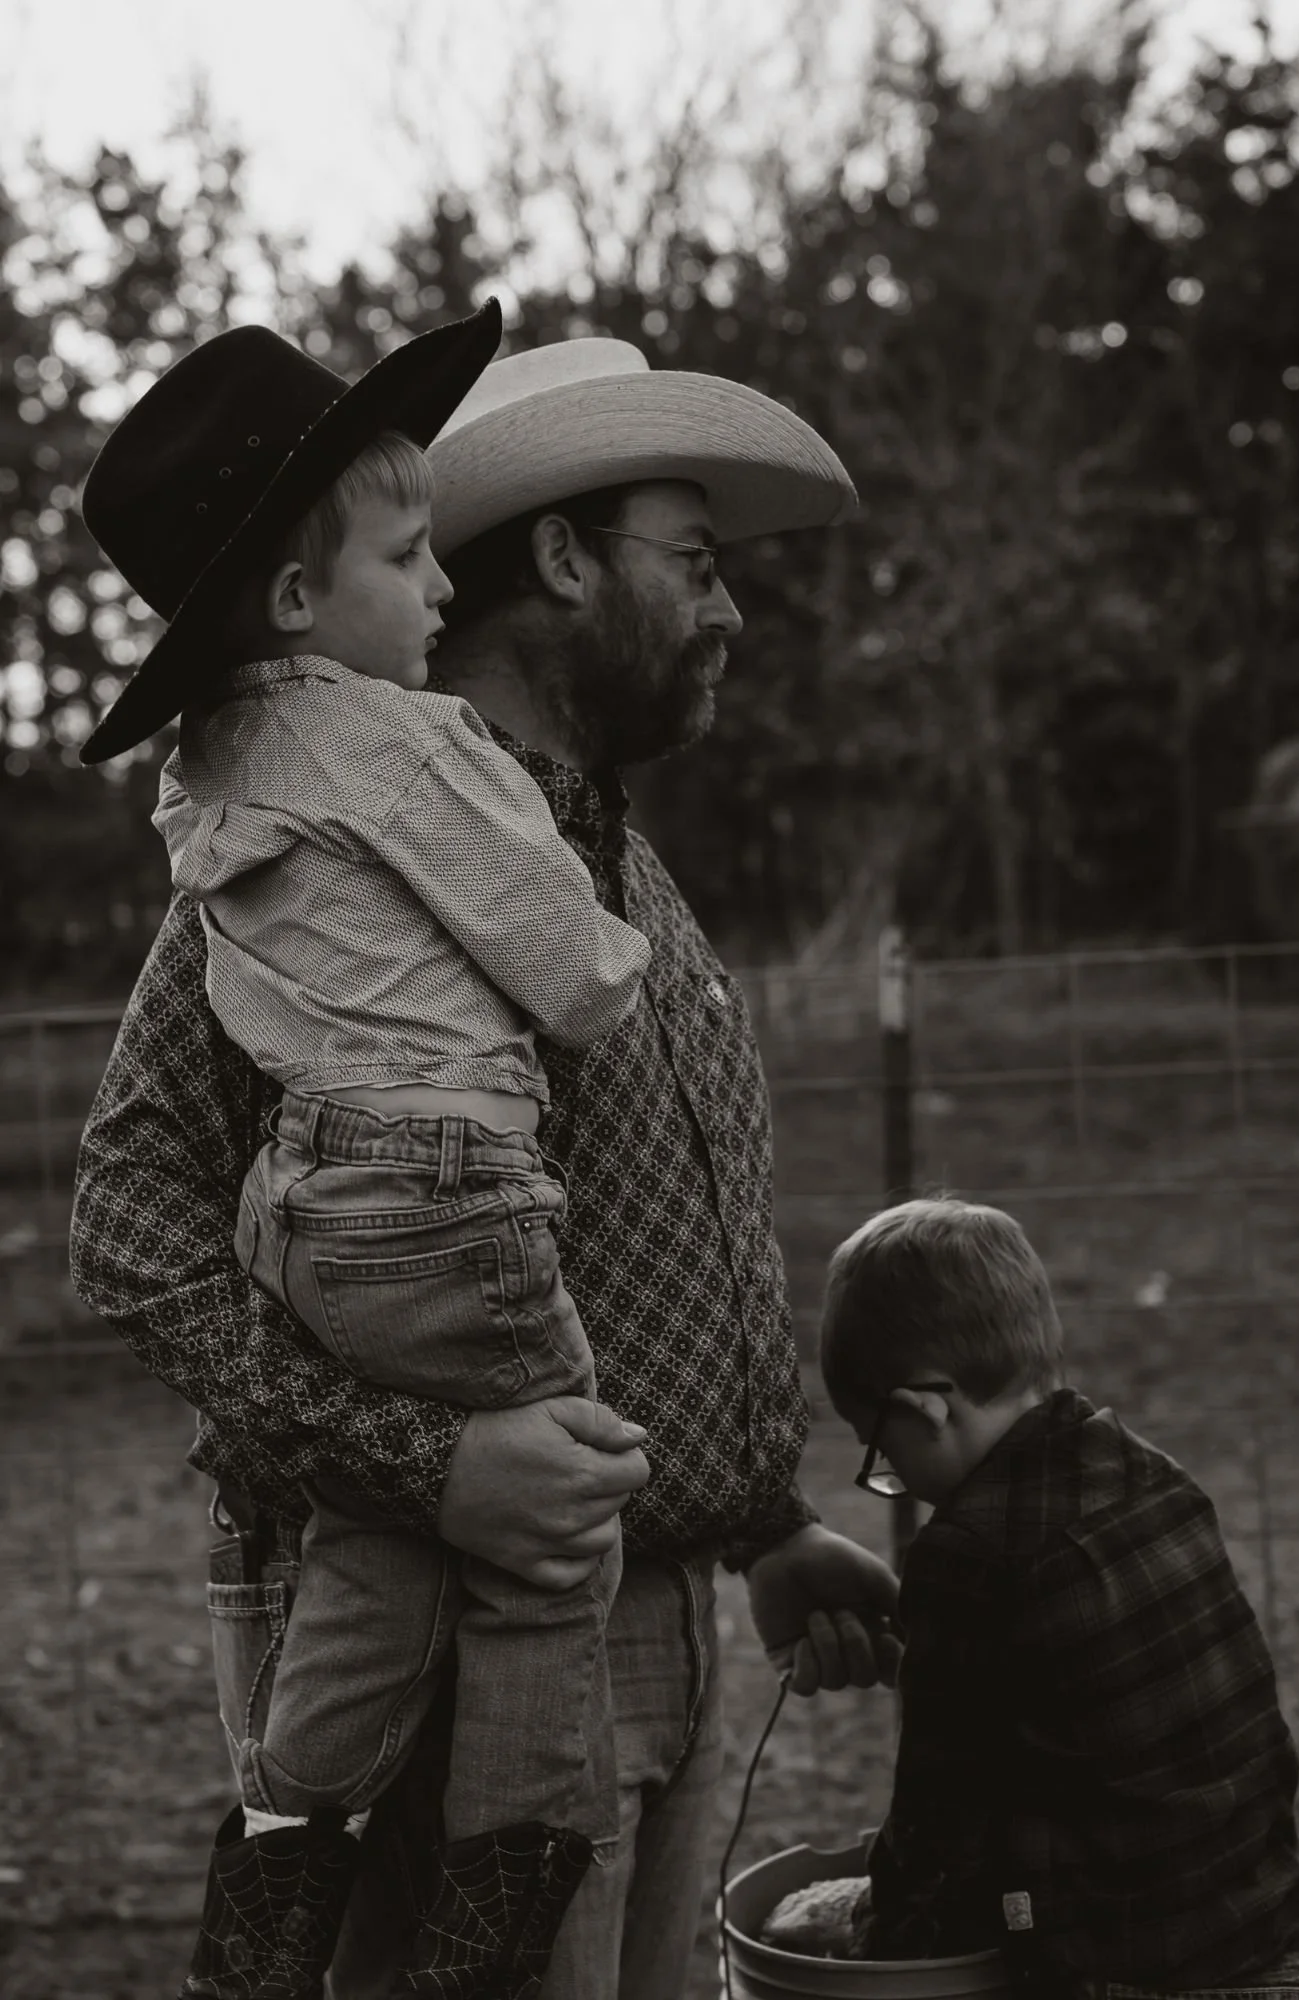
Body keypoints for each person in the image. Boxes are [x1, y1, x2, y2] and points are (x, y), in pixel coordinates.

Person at [70, 332, 903, 2000]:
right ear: (561, 558)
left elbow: (652, 1240)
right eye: (696, 563)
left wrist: (757, 1526)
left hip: (651, 1610)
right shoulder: (328, 854)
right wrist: (424, 1457)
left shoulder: (600, 854)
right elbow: (131, 1210)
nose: (729, 612)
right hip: (461, 1637)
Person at [817, 1193, 1299, 2000]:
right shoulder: (1152, 1476)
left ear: (927, 1408)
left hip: (1135, 1976)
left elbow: (940, 1816)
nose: (889, 1478)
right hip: (1286, 1944)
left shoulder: (969, 1553)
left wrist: (878, 1940)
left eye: (880, 1450)